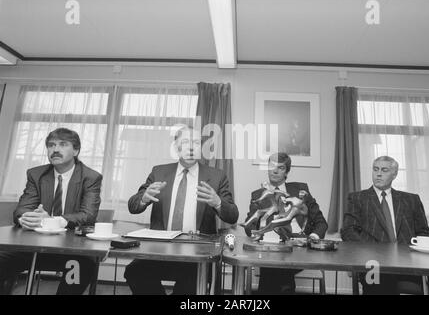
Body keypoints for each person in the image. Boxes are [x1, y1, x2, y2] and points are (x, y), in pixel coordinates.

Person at [125, 126, 239, 295]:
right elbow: (133, 207)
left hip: (197, 253)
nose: (191, 147)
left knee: (189, 285)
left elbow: (232, 216)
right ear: (176, 147)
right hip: (160, 250)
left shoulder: (216, 176)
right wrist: (143, 198)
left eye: (196, 143)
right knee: (134, 272)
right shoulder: (159, 172)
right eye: (185, 142)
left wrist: (218, 202)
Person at [0, 128, 102, 295]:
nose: (55, 149)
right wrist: (25, 217)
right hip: (33, 246)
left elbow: (88, 215)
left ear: (76, 150)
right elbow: (22, 209)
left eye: (63, 144)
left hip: (73, 249)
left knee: (81, 267)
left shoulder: (90, 177)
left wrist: (52, 220)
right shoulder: (36, 174)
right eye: (51, 145)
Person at [341, 155, 429, 294]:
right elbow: (348, 231)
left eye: (384, 170)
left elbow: (424, 232)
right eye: (375, 169)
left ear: (394, 174)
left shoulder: (411, 200)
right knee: (379, 282)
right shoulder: (357, 198)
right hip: (374, 263)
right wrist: (371, 252)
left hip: (408, 262)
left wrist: (428, 249)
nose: (378, 174)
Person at [244, 152, 328, 294]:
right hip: (271, 247)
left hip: (298, 247)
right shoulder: (258, 195)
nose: (275, 170)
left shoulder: (301, 191)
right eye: (271, 166)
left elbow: (321, 223)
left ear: (287, 171)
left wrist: (311, 238)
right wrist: (260, 234)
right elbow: (249, 226)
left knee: (273, 268)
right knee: (274, 262)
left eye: (281, 168)